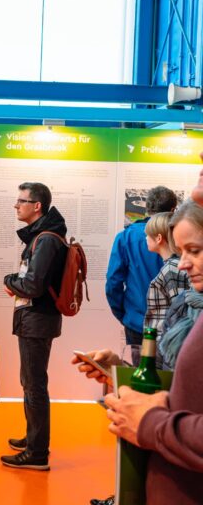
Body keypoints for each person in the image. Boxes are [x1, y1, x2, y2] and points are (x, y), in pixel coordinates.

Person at [75, 186, 203, 504]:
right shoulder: (192, 306)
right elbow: (181, 388)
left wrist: (150, 424)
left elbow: (112, 284)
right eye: (182, 250)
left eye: (195, 251)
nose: (183, 264)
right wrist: (122, 372)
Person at [1, 182, 67, 470]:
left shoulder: (46, 239)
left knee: (35, 385)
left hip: (37, 319)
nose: (17, 205)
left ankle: (37, 453)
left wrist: (9, 281)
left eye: (21, 201)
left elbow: (32, 284)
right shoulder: (42, 237)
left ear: (36, 206)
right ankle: (34, 439)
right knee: (31, 382)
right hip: (36, 318)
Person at [105, 186, 177, 355]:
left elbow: (113, 283)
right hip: (174, 323)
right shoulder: (179, 237)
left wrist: (125, 315)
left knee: (140, 375)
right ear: (173, 210)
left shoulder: (126, 237)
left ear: (147, 207)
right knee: (171, 377)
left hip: (137, 321)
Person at [143, 212, 190, 361]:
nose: (145, 238)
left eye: (147, 235)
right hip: (163, 346)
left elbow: (180, 315)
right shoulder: (171, 266)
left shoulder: (171, 269)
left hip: (165, 351)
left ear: (158, 238)